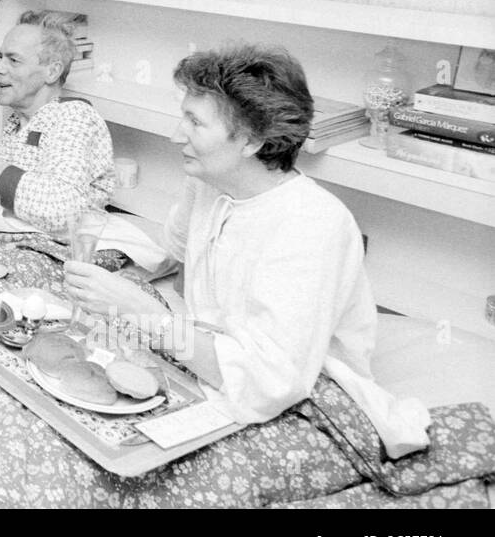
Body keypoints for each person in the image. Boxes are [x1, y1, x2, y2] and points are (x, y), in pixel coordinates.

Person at [63, 44, 430, 456]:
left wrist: (149, 318)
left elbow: (269, 383)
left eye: (195, 123)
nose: (175, 135)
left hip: (299, 399)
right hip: (207, 362)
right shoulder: (209, 182)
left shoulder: (312, 224)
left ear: (252, 141)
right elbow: (177, 249)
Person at [0, 10, 114, 233]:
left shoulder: (74, 118)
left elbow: (62, 211)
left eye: (13, 60)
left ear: (52, 71)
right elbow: (24, 188)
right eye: (0, 57)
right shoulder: (17, 122)